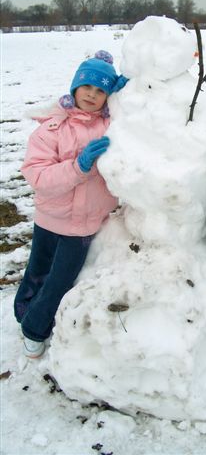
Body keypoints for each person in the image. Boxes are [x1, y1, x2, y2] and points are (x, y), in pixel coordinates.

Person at [14, 50, 128, 359]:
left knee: (58, 280)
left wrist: (131, 94)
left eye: (102, 90)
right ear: (75, 87)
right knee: (37, 271)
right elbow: (38, 176)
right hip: (50, 218)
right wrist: (78, 166)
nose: (92, 95)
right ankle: (23, 308)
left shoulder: (113, 126)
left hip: (84, 226)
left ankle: (34, 330)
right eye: (87, 87)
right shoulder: (51, 129)